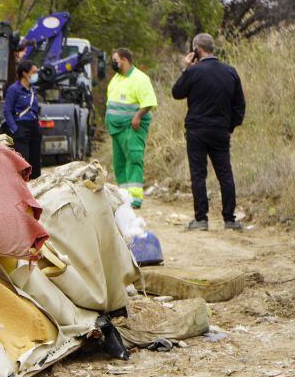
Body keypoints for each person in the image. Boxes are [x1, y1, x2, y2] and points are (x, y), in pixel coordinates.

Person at [172, 33, 246, 231]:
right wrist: (231, 127)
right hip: (220, 131)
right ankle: (230, 219)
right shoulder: (230, 72)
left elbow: (177, 93)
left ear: (197, 49)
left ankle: (201, 219)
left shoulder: (194, 72)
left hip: (197, 130)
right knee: (225, 174)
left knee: (198, 174)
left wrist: (186, 69)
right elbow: (239, 105)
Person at [105, 48, 157, 208]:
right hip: (116, 128)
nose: (114, 63)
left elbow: (149, 102)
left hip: (132, 126)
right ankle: (123, 196)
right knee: (119, 163)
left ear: (125, 60)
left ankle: (135, 198)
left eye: (116, 60)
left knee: (133, 159)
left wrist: (137, 116)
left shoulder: (140, 78)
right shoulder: (116, 78)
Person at [4, 60, 42, 178]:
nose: (36, 75)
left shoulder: (33, 90)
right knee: (24, 163)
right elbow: (7, 111)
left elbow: (35, 109)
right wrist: (15, 129)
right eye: (34, 72)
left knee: (35, 162)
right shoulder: (14, 89)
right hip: (21, 127)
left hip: (34, 127)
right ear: (25, 73)